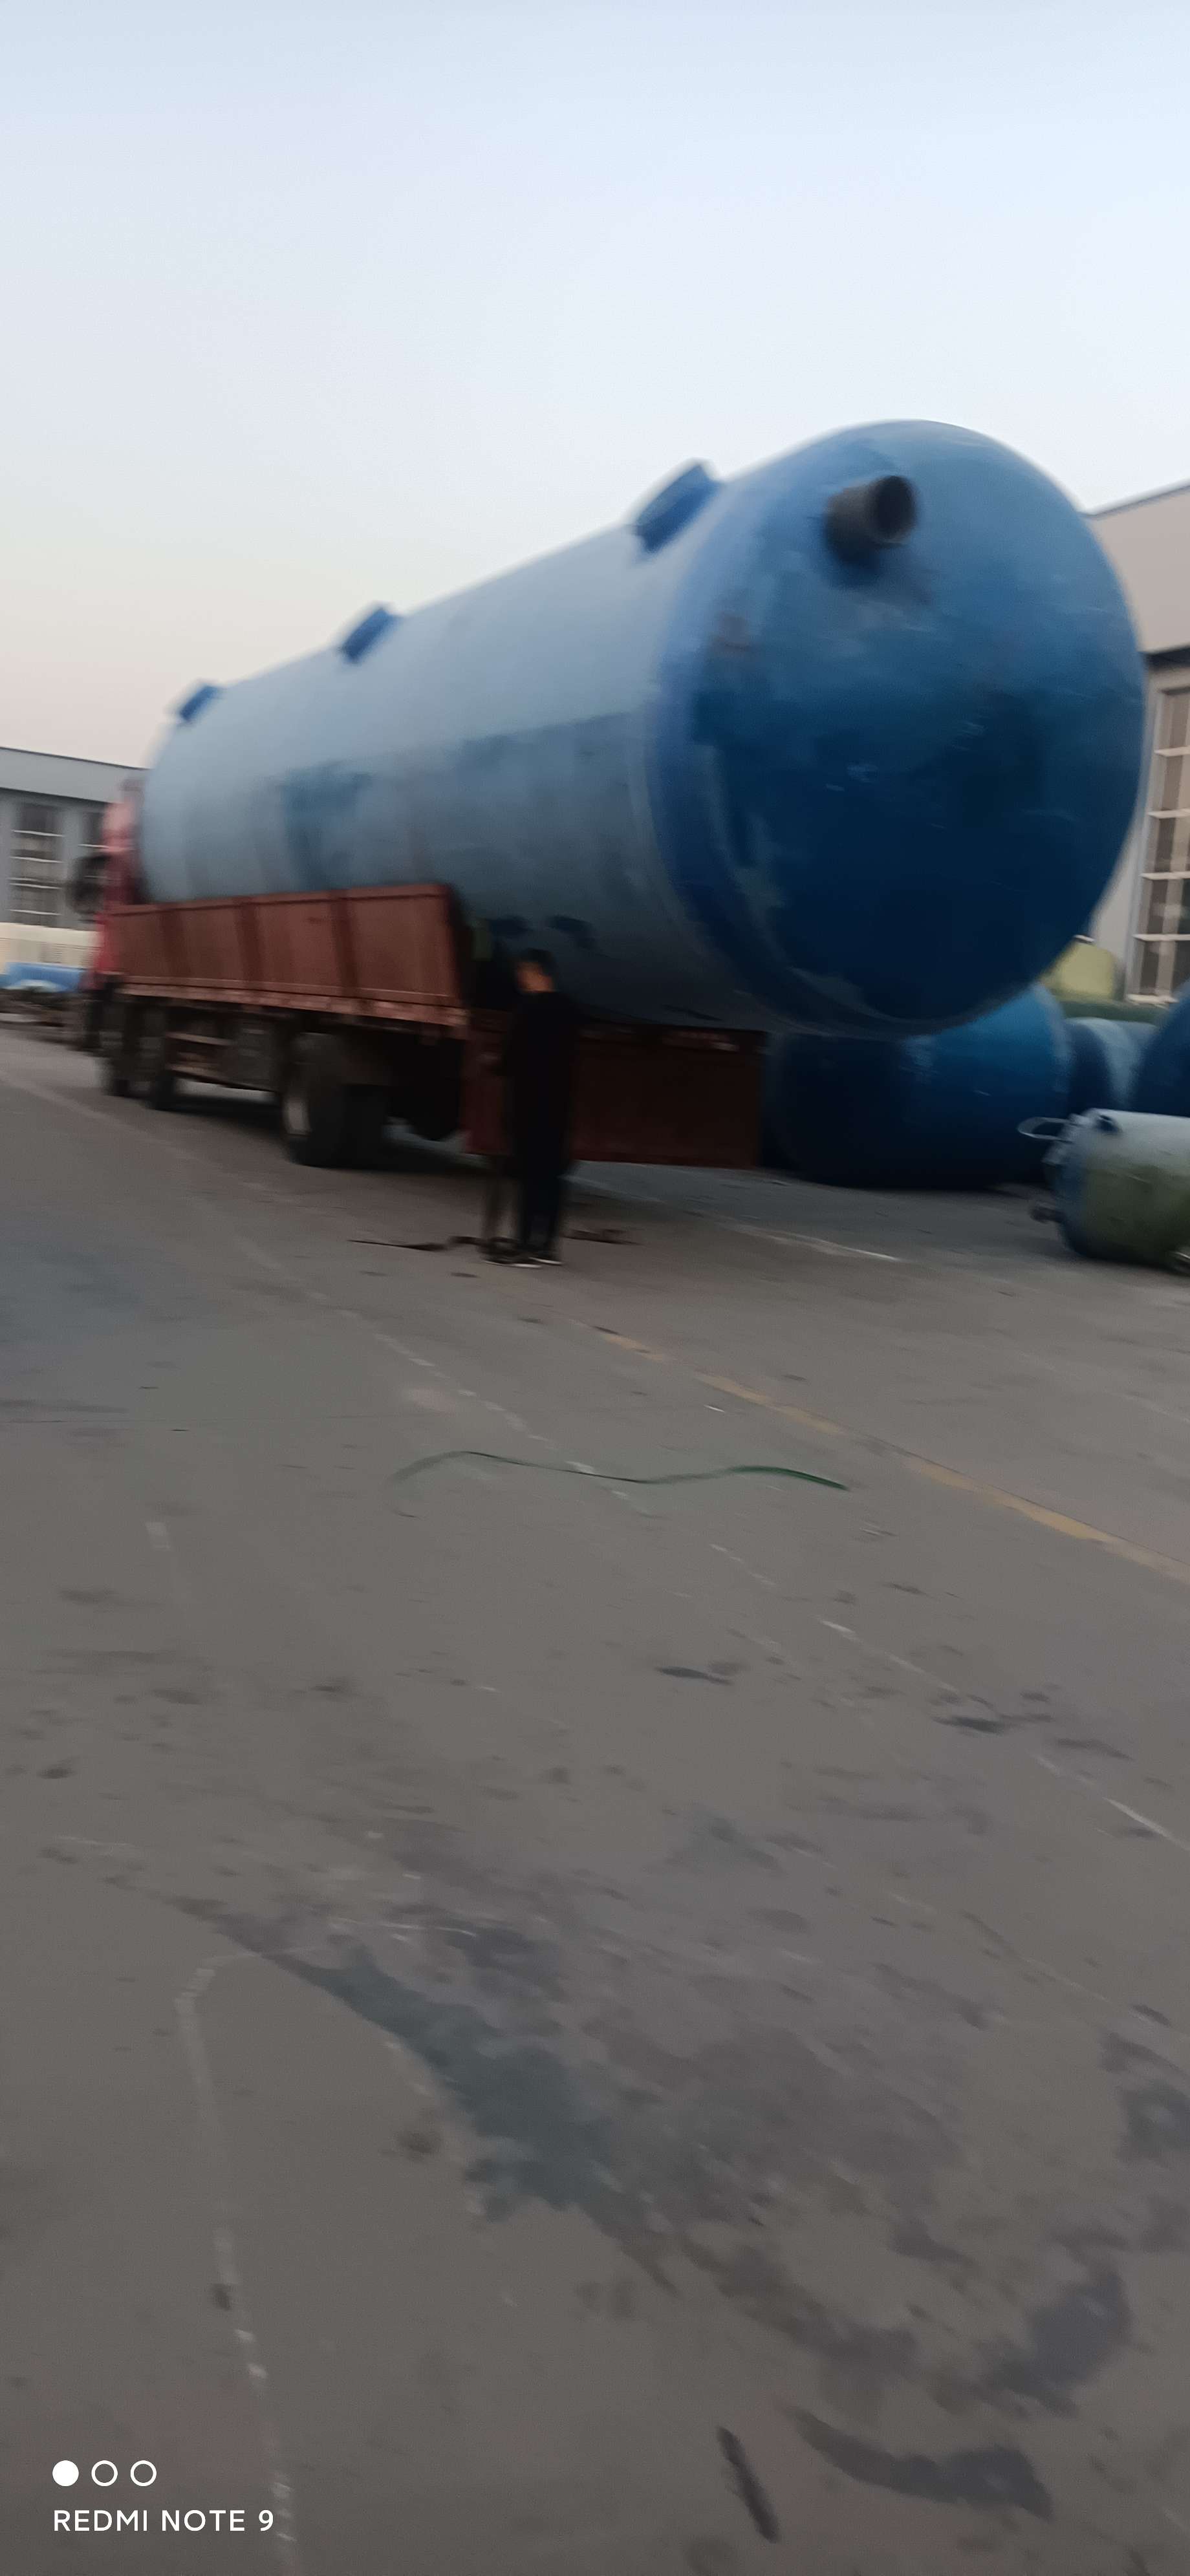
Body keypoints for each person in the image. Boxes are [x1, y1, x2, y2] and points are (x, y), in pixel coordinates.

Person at [500, 950, 579, 1263]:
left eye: (523, 973)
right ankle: (547, 1246)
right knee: (552, 1175)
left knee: (528, 1175)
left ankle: (524, 1243)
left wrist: (493, 1065)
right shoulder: (570, 1010)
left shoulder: (527, 1011)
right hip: (558, 1104)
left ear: (536, 972)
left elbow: (509, 1060)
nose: (520, 979)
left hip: (528, 1104)